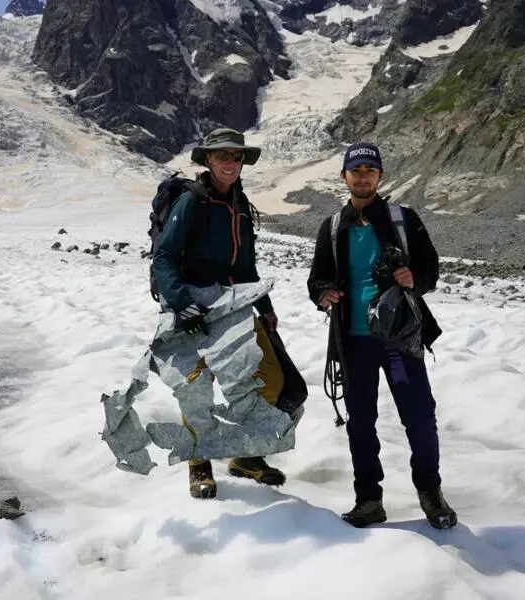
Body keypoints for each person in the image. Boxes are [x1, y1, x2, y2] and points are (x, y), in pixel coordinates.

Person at [306, 142, 457, 529]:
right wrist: (324, 293)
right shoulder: (333, 226)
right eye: (355, 170)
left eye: (369, 170)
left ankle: (430, 493)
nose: (362, 176)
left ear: (380, 177)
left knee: (419, 416)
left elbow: (430, 269)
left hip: (398, 338)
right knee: (360, 422)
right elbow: (317, 278)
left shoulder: (402, 218)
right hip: (353, 340)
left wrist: (414, 279)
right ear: (344, 176)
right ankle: (369, 500)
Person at [152, 127, 288, 499]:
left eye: (236, 156)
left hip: (234, 305)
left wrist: (265, 306)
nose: (230, 162)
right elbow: (163, 258)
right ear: (207, 160)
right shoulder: (192, 201)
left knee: (269, 378)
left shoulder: (239, 204)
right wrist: (182, 303)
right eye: (222, 155)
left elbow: (245, 265)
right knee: (198, 387)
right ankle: (199, 465)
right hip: (194, 308)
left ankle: (246, 457)